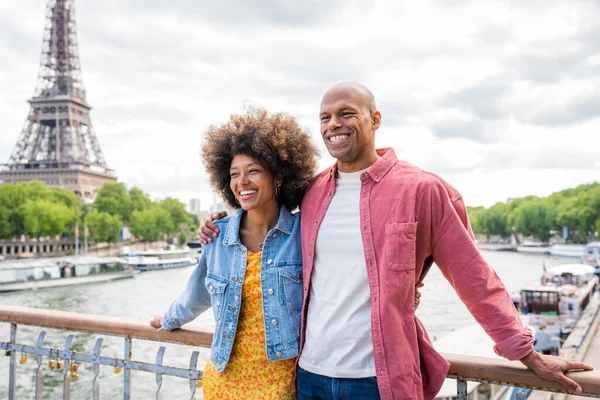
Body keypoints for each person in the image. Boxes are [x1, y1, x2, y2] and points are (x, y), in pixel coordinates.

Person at [199, 82, 593, 400]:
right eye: (325, 117)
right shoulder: (311, 192)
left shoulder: (424, 191)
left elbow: (476, 280)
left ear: (375, 119)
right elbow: (264, 221)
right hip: (308, 377)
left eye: (346, 113)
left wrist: (527, 355)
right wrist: (220, 225)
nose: (333, 124)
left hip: (379, 382)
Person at [151, 108, 318, 399]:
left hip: (280, 382)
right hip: (223, 381)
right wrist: (167, 320)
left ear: (278, 176)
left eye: (253, 170)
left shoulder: (303, 233)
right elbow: (197, 294)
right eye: (234, 174)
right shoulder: (217, 237)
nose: (242, 182)